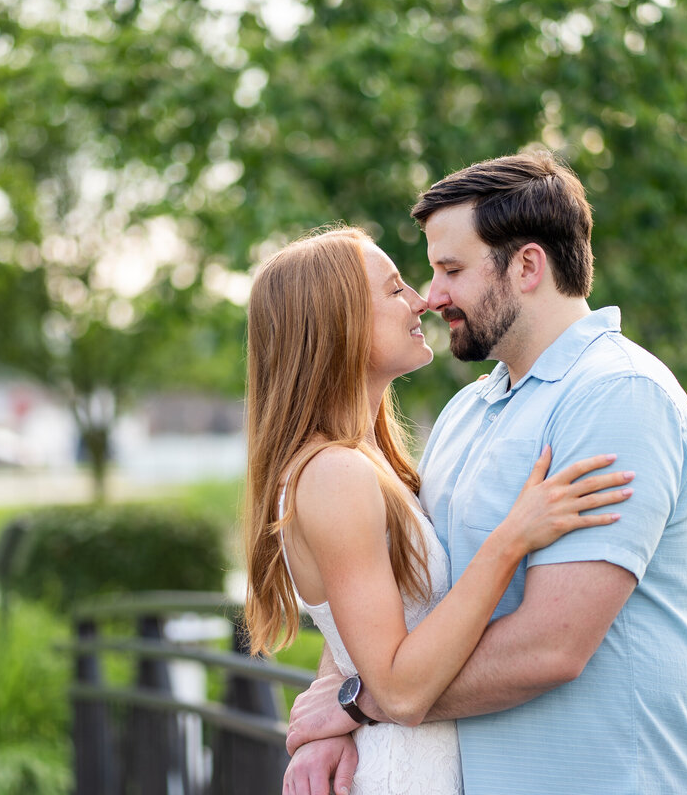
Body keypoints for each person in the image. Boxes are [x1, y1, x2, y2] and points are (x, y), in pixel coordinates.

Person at [285, 152, 687, 795]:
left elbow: (552, 646)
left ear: (527, 266)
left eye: (452, 270)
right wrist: (335, 713)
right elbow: (396, 594)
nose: (433, 298)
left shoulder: (617, 396)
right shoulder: (466, 411)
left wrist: (364, 702)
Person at [243, 226, 636, 795]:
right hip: (402, 771)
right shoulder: (335, 473)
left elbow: (364, 624)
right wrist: (512, 539)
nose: (422, 301)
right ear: (338, 320)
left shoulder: (369, 462)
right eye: (396, 288)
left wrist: (341, 700)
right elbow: (400, 689)